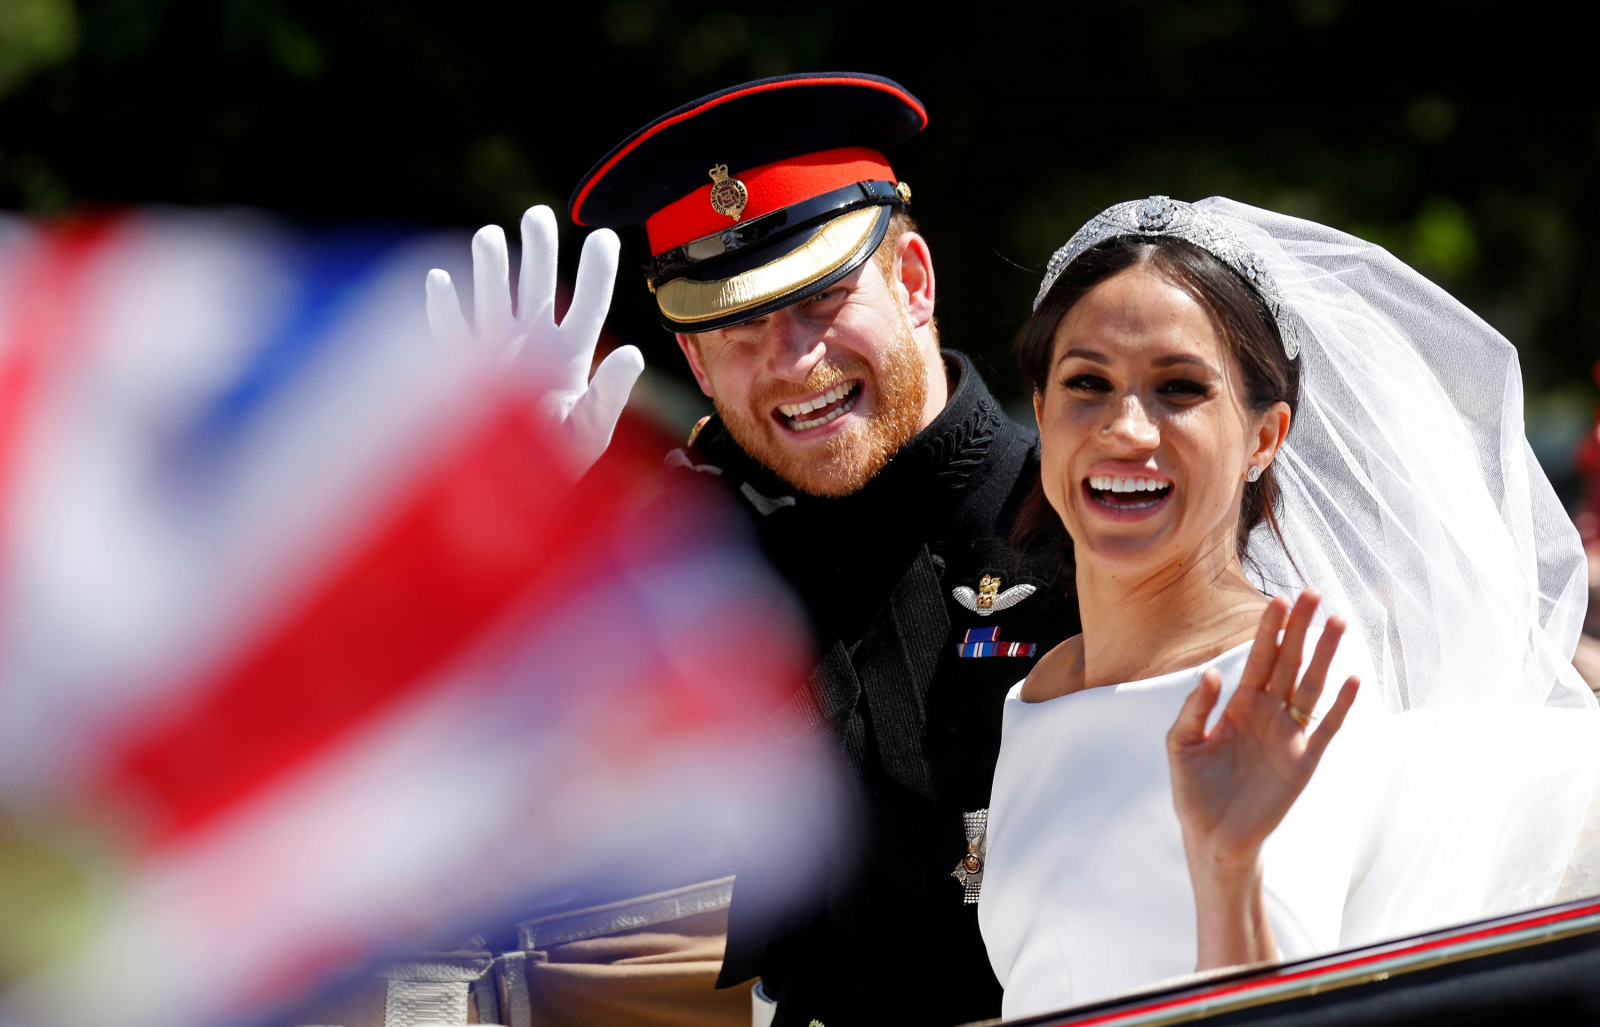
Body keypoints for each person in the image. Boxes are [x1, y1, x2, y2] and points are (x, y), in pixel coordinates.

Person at [426, 73, 1081, 1027]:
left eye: (821, 299)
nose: (792, 358)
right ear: (692, 362)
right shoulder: (690, 564)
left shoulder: (1082, 522)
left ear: (913, 281)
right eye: (735, 324)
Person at [976, 196, 1600, 1020]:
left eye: (1179, 389)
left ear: (1266, 437)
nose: (1127, 429)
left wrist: (1225, 864)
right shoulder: (1045, 684)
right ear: (1044, 412)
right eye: (1087, 383)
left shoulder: (1282, 680)